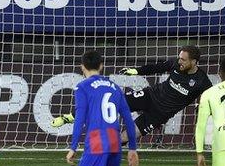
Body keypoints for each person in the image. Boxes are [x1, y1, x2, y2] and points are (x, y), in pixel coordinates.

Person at [53, 46, 212, 144]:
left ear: (194, 62)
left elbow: (211, 99)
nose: (180, 62)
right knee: (112, 104)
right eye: (179, 58)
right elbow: (156, 67)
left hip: (159, 114)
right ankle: (69, 117)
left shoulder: (202, 81)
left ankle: (107, 148)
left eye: (184, 60)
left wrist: (202, 107)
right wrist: (136, 71)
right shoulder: (175, 65)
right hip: (149, 96)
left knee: (124, 137)